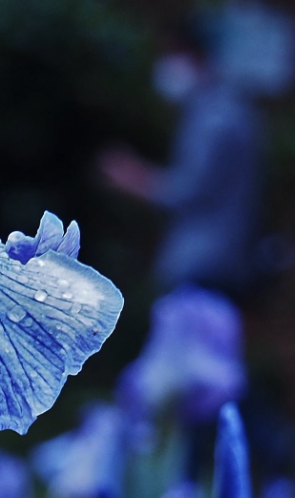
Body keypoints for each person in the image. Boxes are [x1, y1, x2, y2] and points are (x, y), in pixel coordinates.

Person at [99, 23, 263, 300]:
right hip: (219, 258)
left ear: (198, 56)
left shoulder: (215, 118)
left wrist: (133, 178)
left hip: (205, 262)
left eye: (175, 53)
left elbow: (187, 190)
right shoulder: (224, 110)